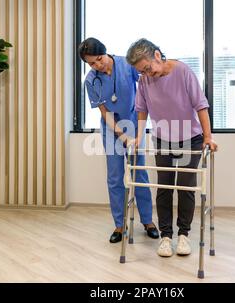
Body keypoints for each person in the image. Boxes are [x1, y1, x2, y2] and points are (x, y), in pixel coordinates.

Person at [126, 38, 218, 257]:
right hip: (162, 139)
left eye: (148, 68)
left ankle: (183, 235)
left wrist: (208, 137)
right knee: (164, 187)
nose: (147, 74)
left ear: (157, 55)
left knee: (186, 186)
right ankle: (166, 236)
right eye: (142, 72)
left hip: (190, 138)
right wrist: (139, 136)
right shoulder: (145, 81)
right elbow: (142, 110)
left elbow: (201, 105)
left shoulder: (183, 71)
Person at [78, 37, 159, 243]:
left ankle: (148, 221)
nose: (97, 65)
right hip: (111, 128)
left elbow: (145, 88)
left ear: (105, 52)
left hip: (133, 123)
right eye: (91, 63)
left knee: (139, 173)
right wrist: (121, 136)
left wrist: (136, 131)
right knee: (115, 177)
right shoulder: (90, 80)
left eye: (99, 59)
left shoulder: (126, 64)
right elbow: (104, 112)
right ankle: (119, 225)